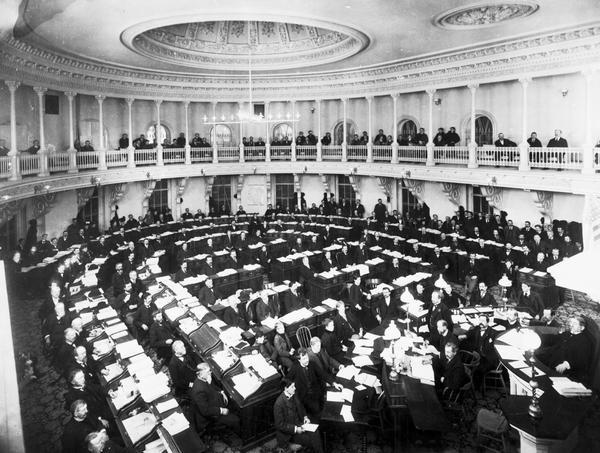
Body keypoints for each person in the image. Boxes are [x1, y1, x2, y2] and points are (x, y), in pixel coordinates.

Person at [536, 316, 594, 383]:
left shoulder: (585, 342)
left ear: (582, 328)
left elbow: (582, 360)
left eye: (574, 323)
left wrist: (567, 364)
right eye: (571, 322)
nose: (571, 325)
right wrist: (539, 336)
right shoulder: (567, 333)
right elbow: (554, 338)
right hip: (551, 358)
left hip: (563, 368)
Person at [273, 380, 325, 453]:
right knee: (312, 440)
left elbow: (301, 407)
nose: (295, 388)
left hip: (300, 425)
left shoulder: (294, 394)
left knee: (316, 432)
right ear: (285, 388)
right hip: (289, 435)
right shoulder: (279, 404)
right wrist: (296, 429)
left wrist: (305, 417)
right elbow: (280, 425)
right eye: (292, 387)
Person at [190, 363, 240, 433]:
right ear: (201, 373)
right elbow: (205, 411)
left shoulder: (204, 379)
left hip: (215, 402)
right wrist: (221, 410)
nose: (210, 372)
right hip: (211, 416)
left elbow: (212, 388)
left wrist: (221, 392)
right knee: (236, 420)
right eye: (208, 371)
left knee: (234, 406)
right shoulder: (199, 390)